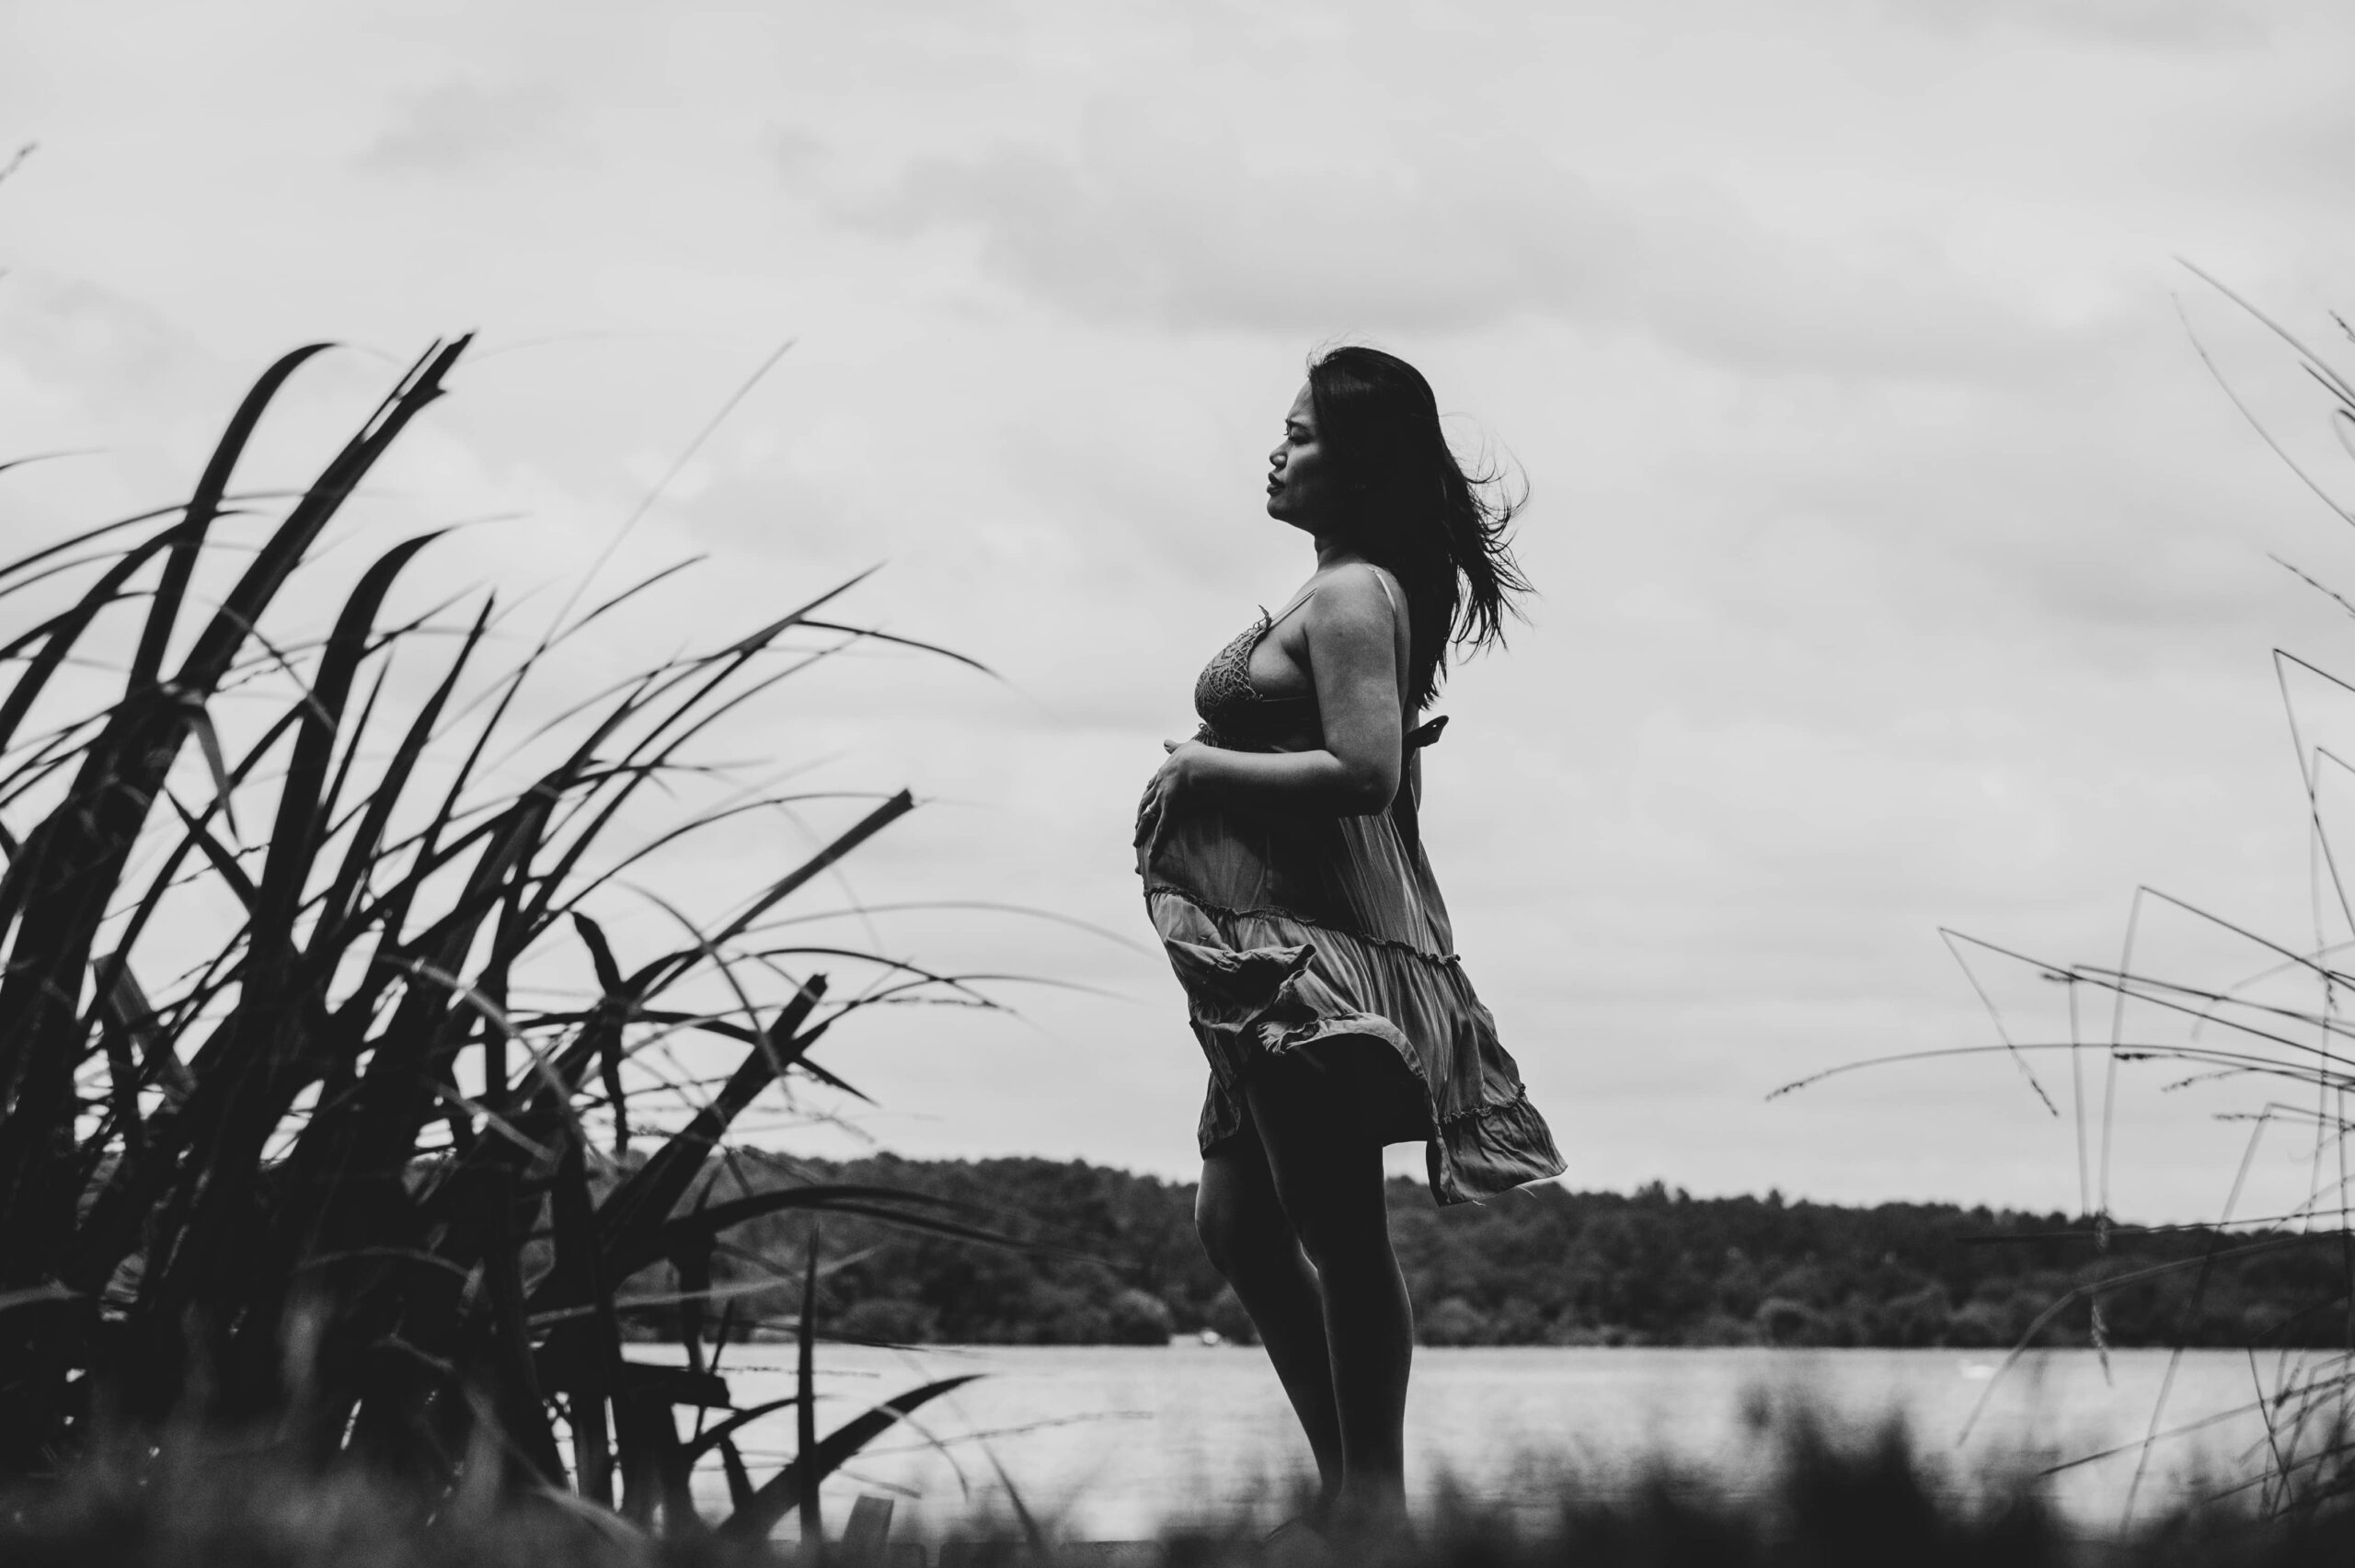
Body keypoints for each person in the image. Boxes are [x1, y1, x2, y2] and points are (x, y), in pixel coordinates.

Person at [1132, 346, 1566, 1528]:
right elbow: (1390, 775)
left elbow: (1367, 774)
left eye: (1304, 434)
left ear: (1361, 461)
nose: (1277, 451)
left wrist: (1199, 764)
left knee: (1337, 1225)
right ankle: (1350, 1494)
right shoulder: (1343, 593)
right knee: (1234, 1224)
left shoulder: (1355, 594)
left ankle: (1372, 1505)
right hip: (1250, 959)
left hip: (1299, 961)